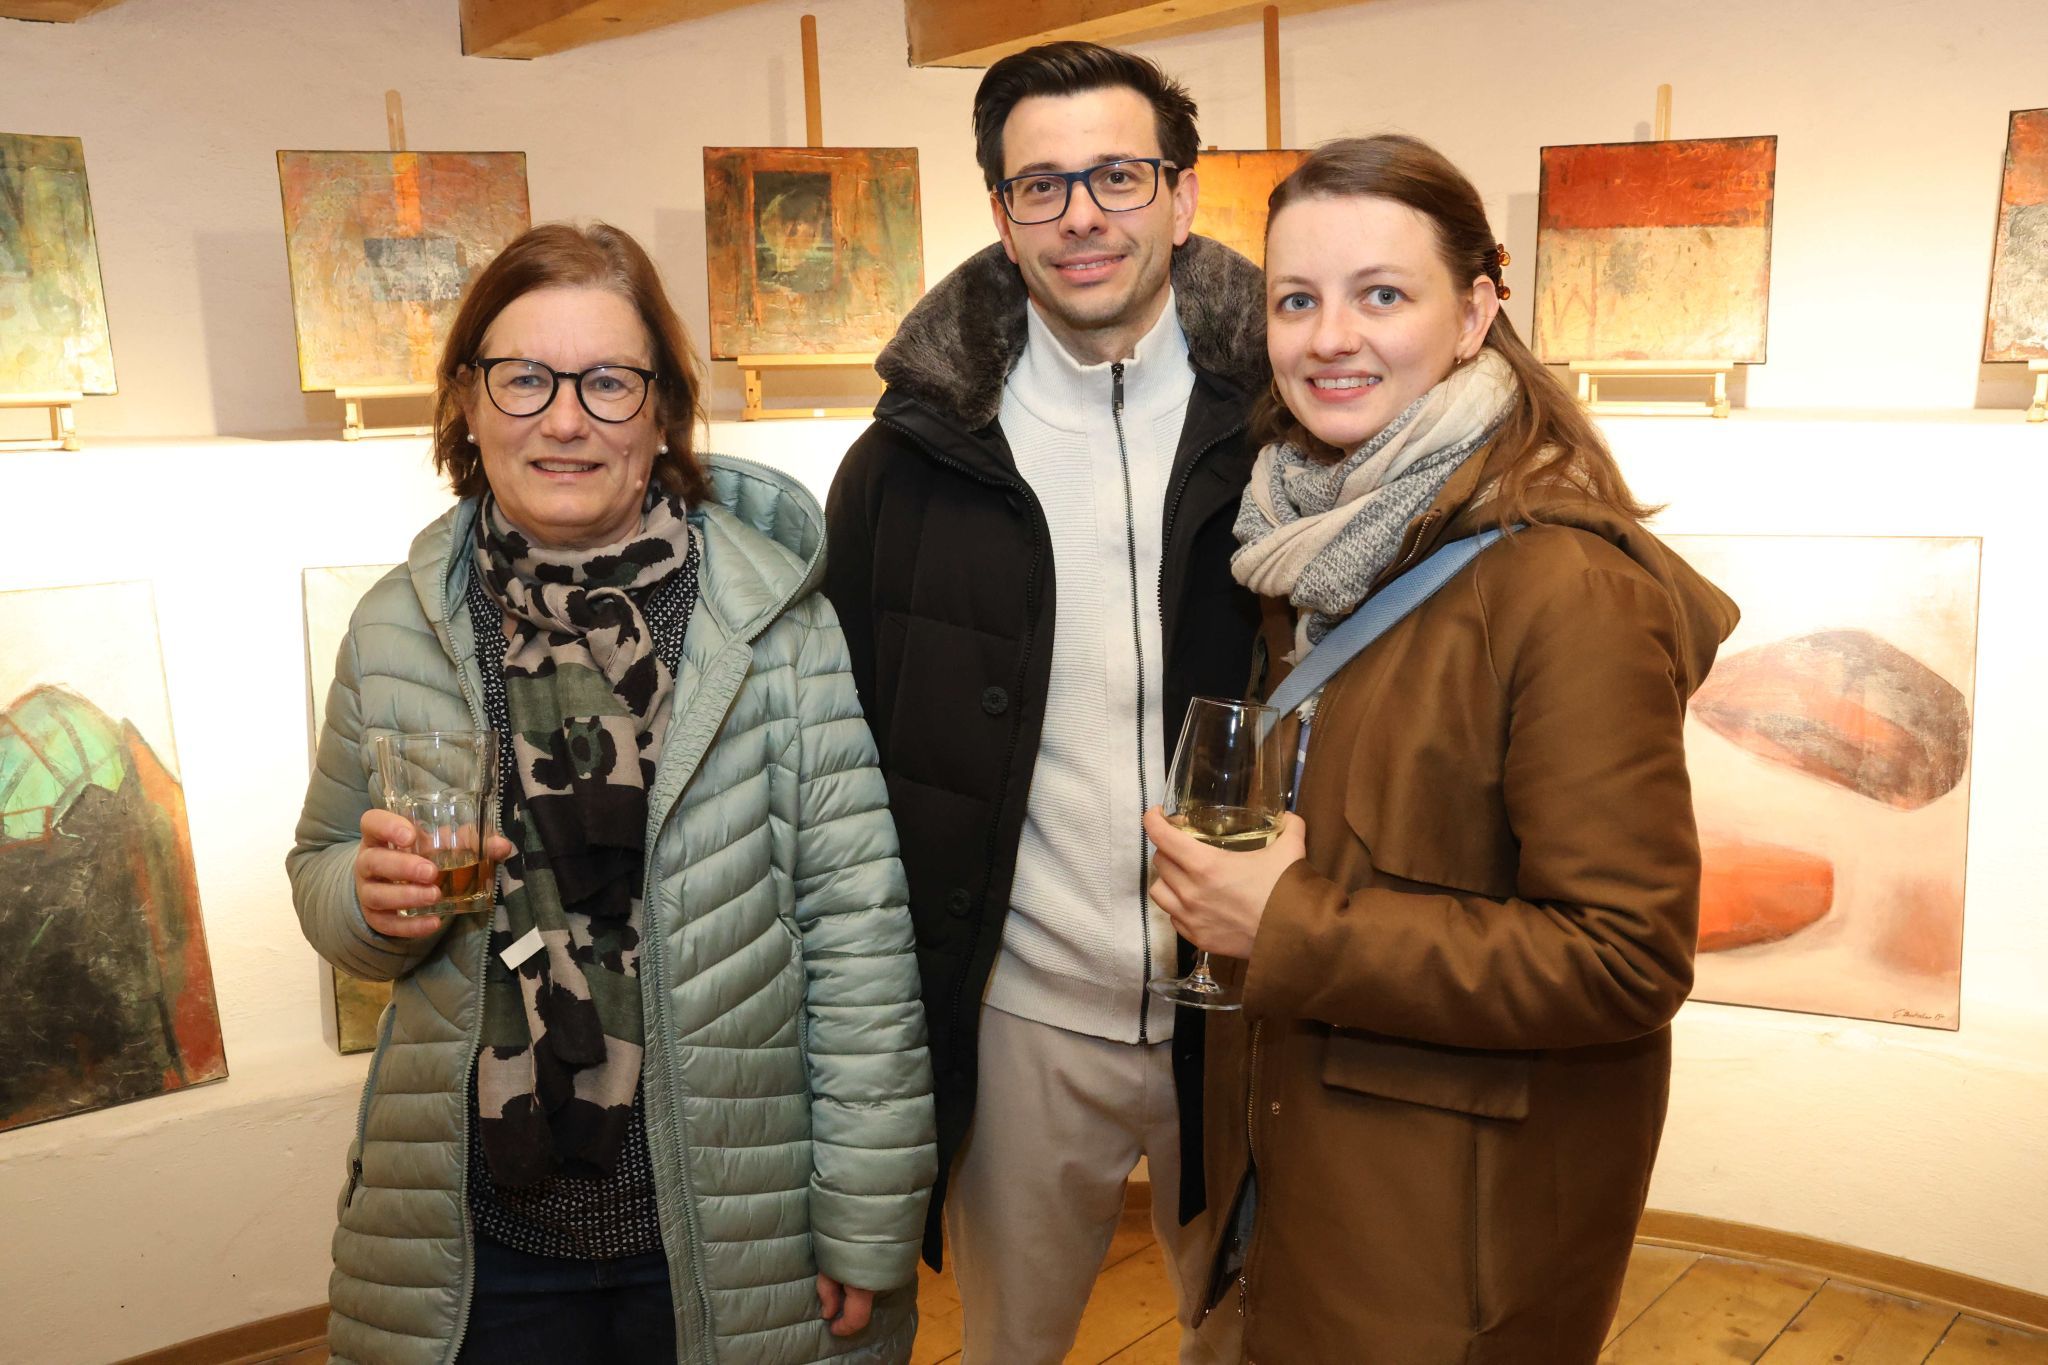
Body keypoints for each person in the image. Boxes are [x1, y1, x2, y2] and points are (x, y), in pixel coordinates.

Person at [288, 222, 935, 1365]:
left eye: (607, 381)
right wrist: (366, 895)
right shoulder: (398, 626)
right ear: (468, 404)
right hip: (483, 1239)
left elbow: (858, 939)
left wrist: (868, 1214)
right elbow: (324, 871)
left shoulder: (772, 631)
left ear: (662, 413)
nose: (565, 417)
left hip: (730, 1230)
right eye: (525, 377)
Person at [1143, 135, 1741, 1363]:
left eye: (1380, 295)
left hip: (1444, 1259)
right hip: (1301, 1196)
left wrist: (1287, 923)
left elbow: (1625, 959)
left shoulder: (1560, 586)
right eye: (1295, 301)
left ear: (1474, 312)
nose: (1328, 338)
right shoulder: (1305, 550)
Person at [821, 40, 1265, 1365]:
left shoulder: (1300, 420)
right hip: (1021, 1013)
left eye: (1118, 175)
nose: (1082, 214)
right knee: (1009, 1346)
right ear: (1003, 217)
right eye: (1041, 185)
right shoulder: (911, 461)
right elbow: (844, 755)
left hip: (1251, 1001)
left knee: (1272, 1336)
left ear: (1184, 197)